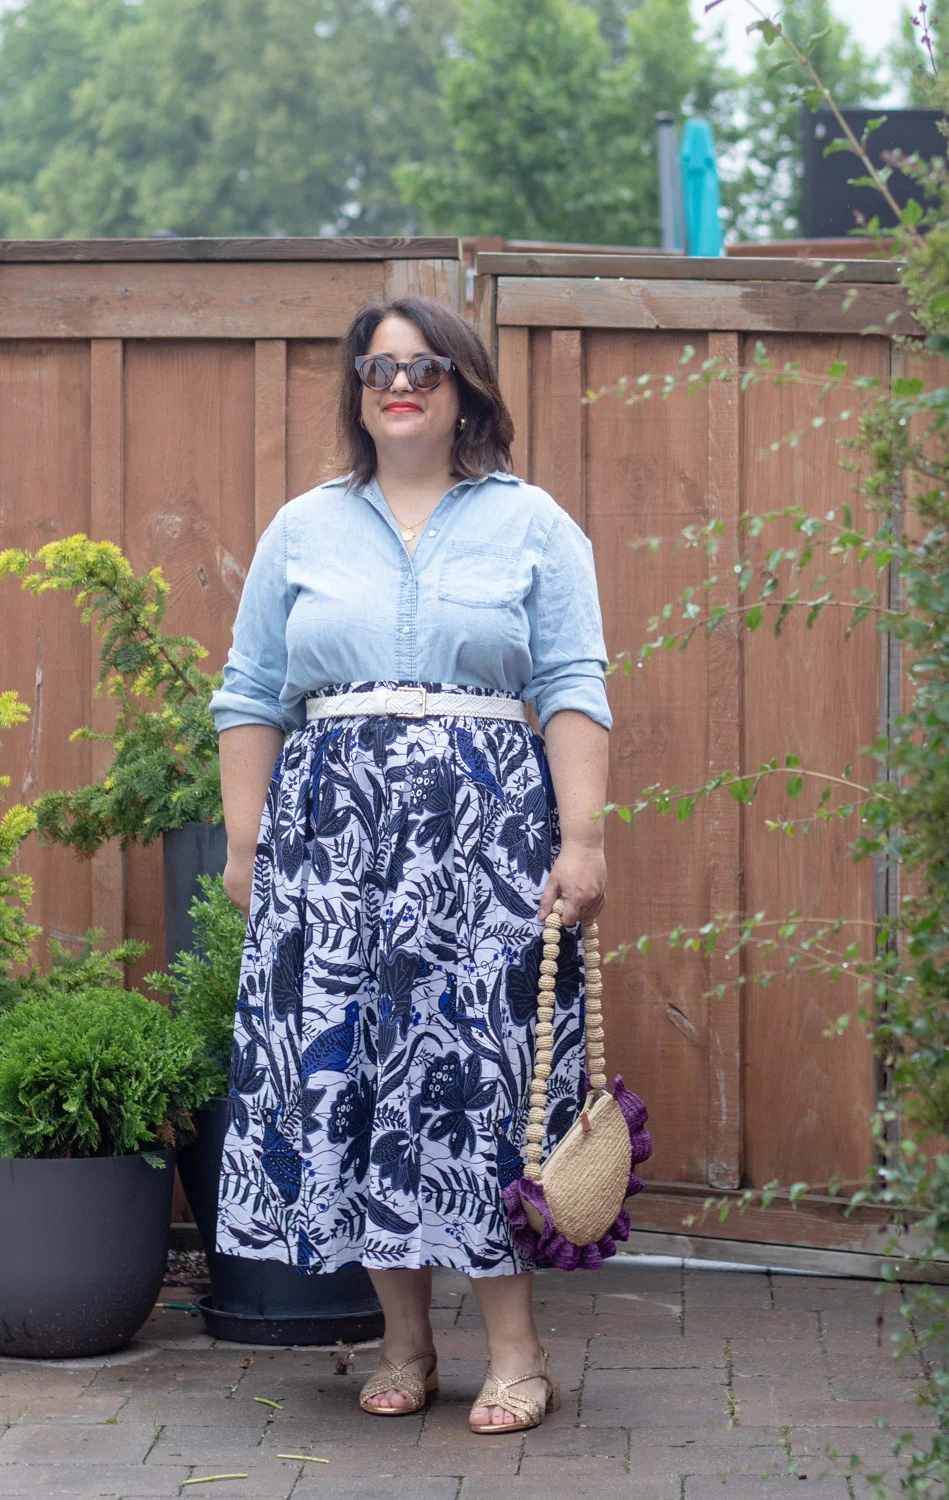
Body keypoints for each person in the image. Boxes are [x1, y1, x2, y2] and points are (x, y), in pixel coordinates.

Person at [208, 294, 611, 1434]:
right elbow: (248, 696)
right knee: (357, 1081)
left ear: (466, 385)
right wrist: (248, 849)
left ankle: (517, 1354)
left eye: (424, 366)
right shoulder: (303, 529)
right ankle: (402, 1342)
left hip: (484, 851)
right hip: (331, 855)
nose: (400, 384)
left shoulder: (534, 525)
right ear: (357, 389)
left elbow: (572, 683)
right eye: (379, 368)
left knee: (479, 1086)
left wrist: (581, 841)